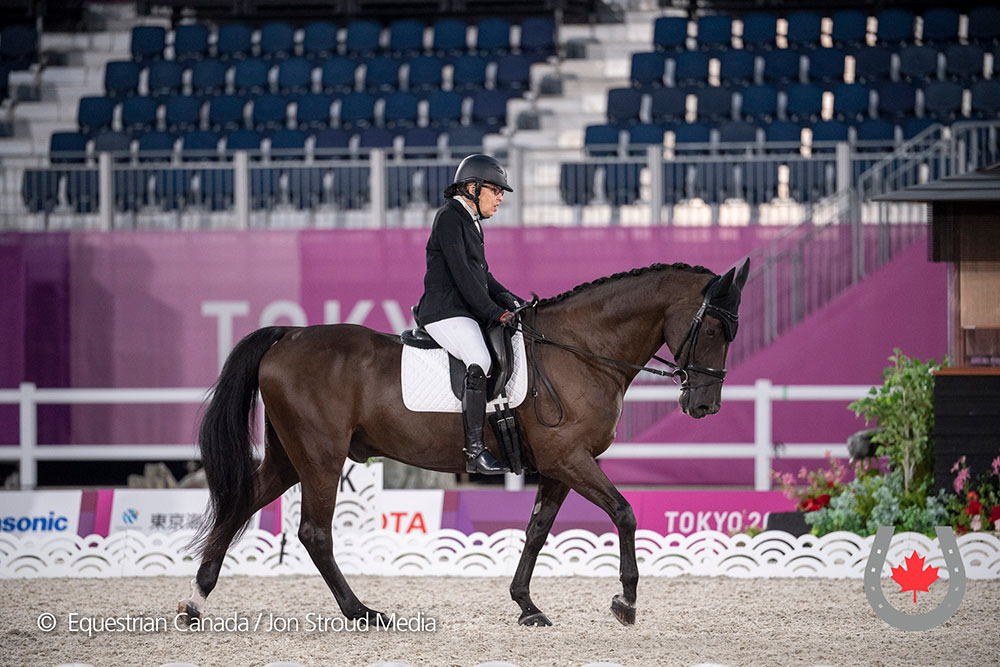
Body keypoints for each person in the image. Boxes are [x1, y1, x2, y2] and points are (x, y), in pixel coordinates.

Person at [415, 154, 522, 475]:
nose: (500, 197)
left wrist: (512, 301)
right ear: (473, 188)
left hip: (463, 309)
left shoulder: (470, 221)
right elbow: (462, 276)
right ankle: (475, 450)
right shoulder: (450, 218)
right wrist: (494, 312)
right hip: (444, 311)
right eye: (496, 190)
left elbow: (482, 276)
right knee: (480, 358)